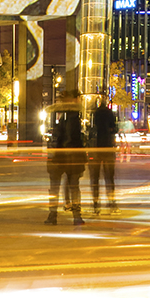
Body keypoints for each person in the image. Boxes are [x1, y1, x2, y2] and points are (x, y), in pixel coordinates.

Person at [45, 87, 86, 225]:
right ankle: (76, 215)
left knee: (56, 186)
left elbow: (60, 137)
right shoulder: (73, 117)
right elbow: (71, 137)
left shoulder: (66, 117)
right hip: (70, 156)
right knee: (73, 186)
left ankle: (53, 215)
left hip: (61, 156)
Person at [88, 97, 118, 215]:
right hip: (108, 148)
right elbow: (114, 129)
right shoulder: (110, 114)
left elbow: (91, 130)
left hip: (96, 148)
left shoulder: (94, 114)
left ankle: (96, 204)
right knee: (109, 178)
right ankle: (111, 203)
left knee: (95, 178)